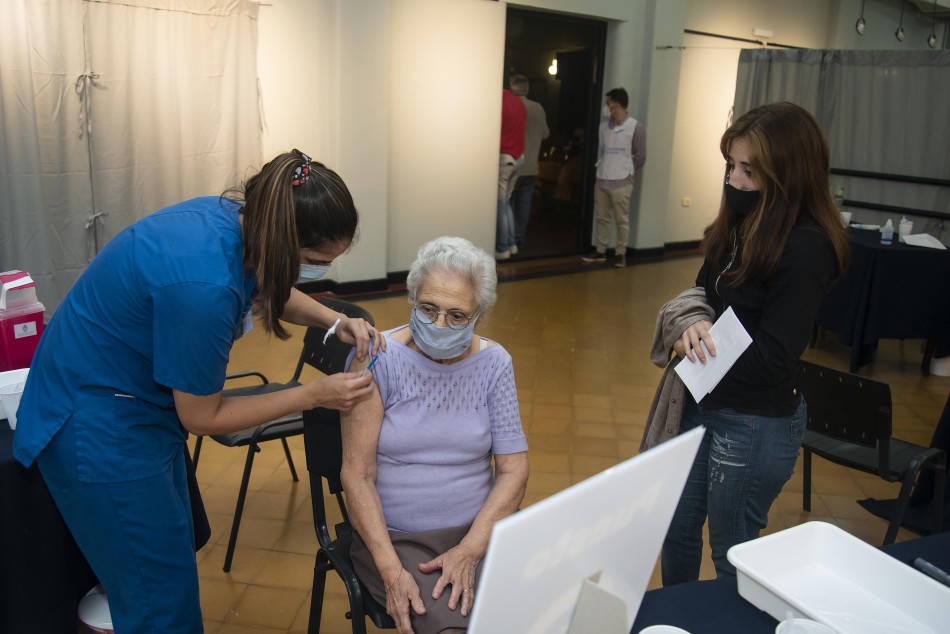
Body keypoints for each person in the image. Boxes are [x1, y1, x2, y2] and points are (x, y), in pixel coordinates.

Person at [12, 149, 384, 632]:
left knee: (164, 565)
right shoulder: (203, 285)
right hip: (100, 429)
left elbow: (271, 284)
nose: (319, 271)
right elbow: (202, 417)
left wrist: (336, 320)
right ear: (280, 239)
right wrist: (314, 395)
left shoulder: (234, 219)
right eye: (315, 261)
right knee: (158, 603)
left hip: (125, 404)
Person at [645, 102, 850, 585]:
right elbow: (703, 289)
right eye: (730, 167)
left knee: (731, 554)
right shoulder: (742, 221)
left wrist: (698, 344)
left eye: (748, 171)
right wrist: (691, 322)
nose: (733, 182)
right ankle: (683, 616)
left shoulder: (807, 248)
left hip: (753, 424)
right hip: (705, 398)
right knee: (676, 530)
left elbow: (774, 360)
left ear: (789, 177)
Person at [341, 236, 529, 634]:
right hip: (399, 541)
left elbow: (513, 470)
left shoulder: (495, 364)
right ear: (412, 299)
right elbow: (356, 475)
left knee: (547, 605)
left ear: (481, 314)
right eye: (428, 308)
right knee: (454, 628)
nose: (440, 324)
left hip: (481, 529)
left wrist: (472, 548)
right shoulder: (376, 357)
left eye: (458, 315)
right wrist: (391, 570)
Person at [581, 87, 646, 268]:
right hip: (602, 178)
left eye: (609, 103)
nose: (607, 107)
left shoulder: (635, 127)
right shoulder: (603, 127)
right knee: (602, 217)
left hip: (622, 180)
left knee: (621, 219)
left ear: (617, 104)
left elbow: (641, 156)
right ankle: (600, 250)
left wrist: (630, 174)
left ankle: (620, 253)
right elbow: (603, 150)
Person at [507, 74, 549, 247]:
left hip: (513, 163)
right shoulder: (538, 108)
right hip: (532, 165)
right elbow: (546, 133)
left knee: (508, 203)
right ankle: (519, 236)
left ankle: (508, 239)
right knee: (524, 204)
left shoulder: (511, 106)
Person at [496, 88, 526, 260]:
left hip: (504, 156)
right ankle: (511, 244)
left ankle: (502, 248)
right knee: (506, 202)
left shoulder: (499, 103)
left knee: (500, 204)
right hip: (519, 156)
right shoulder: (518, 102)